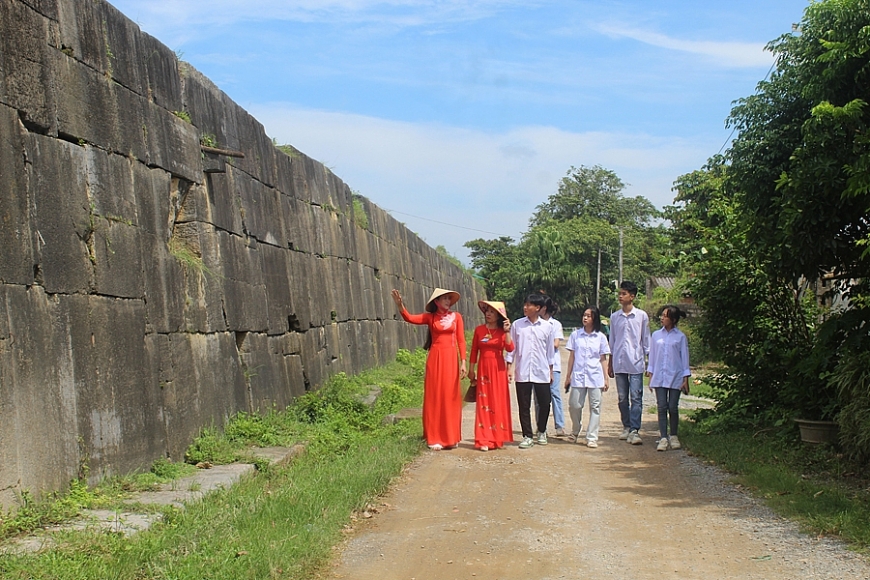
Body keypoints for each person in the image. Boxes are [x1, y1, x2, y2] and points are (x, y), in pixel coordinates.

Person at [391, 287, 467, 450]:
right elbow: (410, 318)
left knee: (450, 395)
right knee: (435, 395)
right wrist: (400, 306)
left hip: (451, 359)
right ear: (436, 302)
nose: (448, 301)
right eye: (444, 298)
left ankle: (451, 436)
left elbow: (461, 340)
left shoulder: (457, 317)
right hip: (436, 358)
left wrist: (463, 362)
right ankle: (434, 437)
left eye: (449, 298)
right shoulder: (430, 318)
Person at [506, 293, 558, 449]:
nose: (525, 307)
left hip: (541, 371)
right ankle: (527, 435)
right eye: (525, 304)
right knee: (524, 405)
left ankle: (541, 430)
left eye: (529, 305)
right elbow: (511, 348)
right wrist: (509, 367)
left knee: (544, 403)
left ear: (538, 308)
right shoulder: (517, 325)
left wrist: (550, 371)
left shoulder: (548, 327)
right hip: (522, 371)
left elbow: (550, 352)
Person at [607, 281, 650, 445]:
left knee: (636, 396)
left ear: (632, 296)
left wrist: (649, 363)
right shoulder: (614, 317)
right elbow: (613, 342)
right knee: (622, 397)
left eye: (624, 293)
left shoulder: (641, 316)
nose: (620, 296)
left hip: (636, 362)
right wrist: (610, 364)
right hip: (619, 362)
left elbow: (646, 340)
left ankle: (635, 430)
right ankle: (626, 426)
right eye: (620, 293)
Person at [467, 301, 514, 451]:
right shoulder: (479, 330)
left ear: (499, 316)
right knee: (483, 402)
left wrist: (507, 332)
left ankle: (496, 438)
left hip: (498, 369)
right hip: (483, 369)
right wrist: (471, 369)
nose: (488, 314)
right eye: (487, 311)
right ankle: (483, 439)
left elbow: (510, 348)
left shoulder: (502, 332)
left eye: (492, 312)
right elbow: (474, 350)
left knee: (497, 401)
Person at [563, 306, 610, 448]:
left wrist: (606, 378)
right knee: (574, 405)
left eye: (588, 316)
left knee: (595, 406)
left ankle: (592, 436)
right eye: (584, 315)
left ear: (594, 319)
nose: (585, 318)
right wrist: (568, 375)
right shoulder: (576, 335)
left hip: (595, 376)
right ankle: (576, 429)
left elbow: (603, 358)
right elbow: (572, 356)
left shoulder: (600, 337)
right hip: (578, 376)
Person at [647, 305, 691, 452]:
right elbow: (652, 356)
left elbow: (684, 358)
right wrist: (650, 375)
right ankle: (663, 437)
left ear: (672, 319)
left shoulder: (680, 337)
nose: (662, 318)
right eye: (661, 315)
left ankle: (673, 435)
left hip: (675, 375)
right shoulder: (656, 336)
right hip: (659, 375)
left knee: (672, 407)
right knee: (661, 407)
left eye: (665, 316)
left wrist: (686, 378)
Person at [539, 297, 565, 437]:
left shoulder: (555, 324)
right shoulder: (535, 324)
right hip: (539, 365)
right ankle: (540, 426)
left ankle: (559, 425)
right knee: (539, 397)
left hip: (553, 364)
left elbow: (556, 344)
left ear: (544, 308)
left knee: (555, 394)